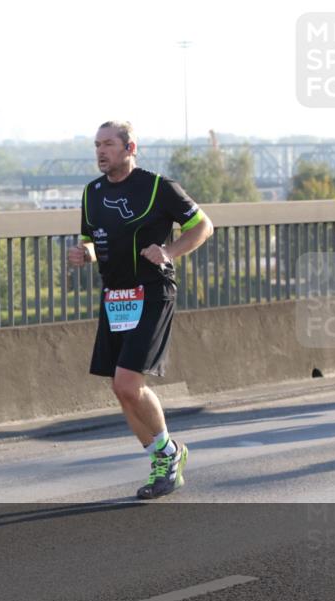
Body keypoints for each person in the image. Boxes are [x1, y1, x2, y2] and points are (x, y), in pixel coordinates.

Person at [68, 120, 213, 499]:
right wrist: (84, 253)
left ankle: (168, 455)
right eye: (97, 145)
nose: (101, 152)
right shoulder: (92, 193)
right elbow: (92, 240)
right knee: (122, 389)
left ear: (130, 148)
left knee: (128, 382)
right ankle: (165, 457)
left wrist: (169, 251)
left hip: (152, 291)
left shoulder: (158, 187)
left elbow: (203, 226)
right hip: (116, 297)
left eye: (109, 145)